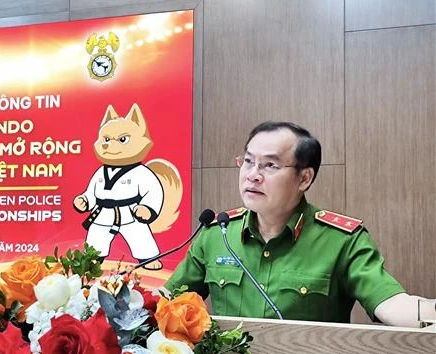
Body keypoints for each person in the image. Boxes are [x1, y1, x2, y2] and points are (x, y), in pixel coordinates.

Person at [165, 121, 434, 327]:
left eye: (269, 165)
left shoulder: (341, 240)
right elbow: (167, 301)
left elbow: (390, 303)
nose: (252, 175)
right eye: (247, 162)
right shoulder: (217, 234)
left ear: (304, 178)